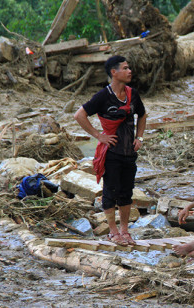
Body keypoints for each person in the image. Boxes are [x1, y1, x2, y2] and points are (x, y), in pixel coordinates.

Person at [74, 55, 147, 246]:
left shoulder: (132, 94)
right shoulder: (103, 96)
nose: (129, 71)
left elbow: (142, 114)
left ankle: (125, 231)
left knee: (126, 193)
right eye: (125, 68)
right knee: (110, 192)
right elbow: (79, 115)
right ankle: (113, 232)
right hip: (112, 153)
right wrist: (99, 136)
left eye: (129, 67)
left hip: (129, 153)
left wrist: (139, 137)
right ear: (114, 72)